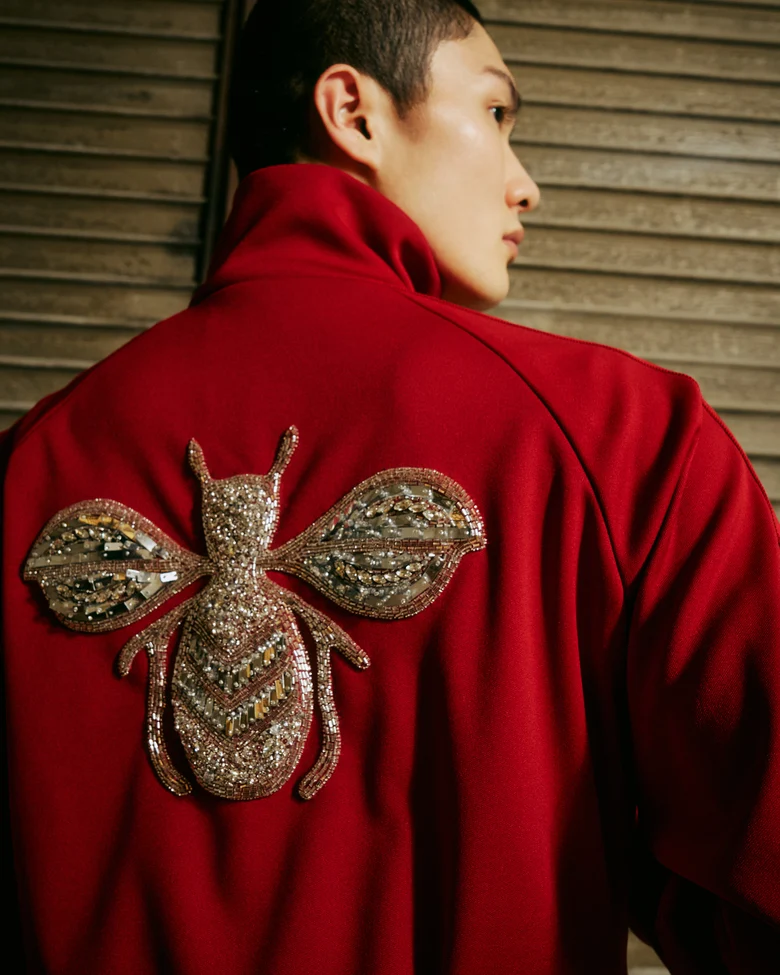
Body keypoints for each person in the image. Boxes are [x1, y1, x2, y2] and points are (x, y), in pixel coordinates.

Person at [2, 1, 778, 972]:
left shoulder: (28, 465)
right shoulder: (624, 436)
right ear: (353, 112)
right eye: (495, 113)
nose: (527, 184)